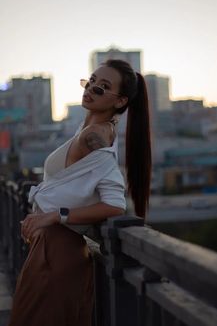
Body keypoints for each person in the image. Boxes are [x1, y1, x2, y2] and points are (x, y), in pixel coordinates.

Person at [8, 59, 152, 326]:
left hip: (58, 253)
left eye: (102, 88)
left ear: (120, 101)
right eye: (92, 81)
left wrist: (55, 216)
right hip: (50, 249)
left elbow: (114, 204)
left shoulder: (95, 136)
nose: (91, 88)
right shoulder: (88, 129)